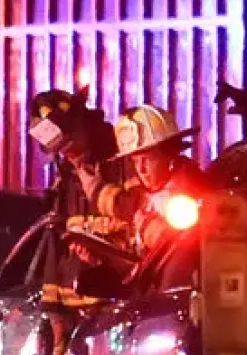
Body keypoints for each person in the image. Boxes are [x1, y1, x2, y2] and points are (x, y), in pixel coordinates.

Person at [27, 88, 128, 355]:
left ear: (84, 126)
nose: (69, 155)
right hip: (75, 314)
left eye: (71, 144)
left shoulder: (121, 163)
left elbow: (132, 225)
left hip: (116, 307)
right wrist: (55, 312)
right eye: (62, 150)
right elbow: (56, 246)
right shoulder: (68, 177)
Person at [75, 104, 210, 260]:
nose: (141, 169)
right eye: (135, 161)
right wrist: (99, 256)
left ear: (169, 154)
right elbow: (132, 250)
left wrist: (146, 223)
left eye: (147, 159)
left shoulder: (194, 191)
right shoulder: (136, 193)